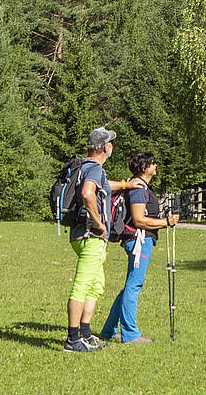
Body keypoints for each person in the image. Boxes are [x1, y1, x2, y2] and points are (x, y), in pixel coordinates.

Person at [98, 151, 178, 346]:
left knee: (130, 285)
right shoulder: (138, 188)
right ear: (144, 168)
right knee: (134, 285)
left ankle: (109, 330)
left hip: (135, 240)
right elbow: (139, 220)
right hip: (139, 240)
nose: (156, 166)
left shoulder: (139, 186)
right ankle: (130, 334)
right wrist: (165, 222)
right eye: (152, 163)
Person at [63, 126, 121, 353]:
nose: (112, 147)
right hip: (90, 235)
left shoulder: (84, 167)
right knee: (82, 286)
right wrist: (98, 222)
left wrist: (125, 184)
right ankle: (72, 339)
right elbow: (88, 193)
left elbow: (103, 187)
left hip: (80, 235)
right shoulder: (95, 170)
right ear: (106, 147)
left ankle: (85, 334)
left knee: (96, 285)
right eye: (111, 143)